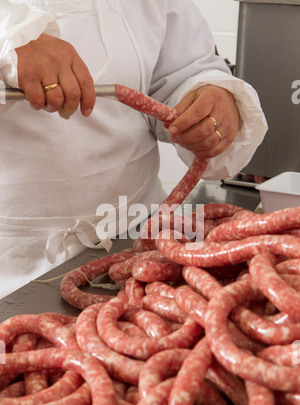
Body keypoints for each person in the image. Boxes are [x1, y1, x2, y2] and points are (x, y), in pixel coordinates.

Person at [0, 0, 267, 299]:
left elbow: (181, 70)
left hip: (141, 242)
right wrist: (9, 37)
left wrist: (208, 96)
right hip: (11, 265)